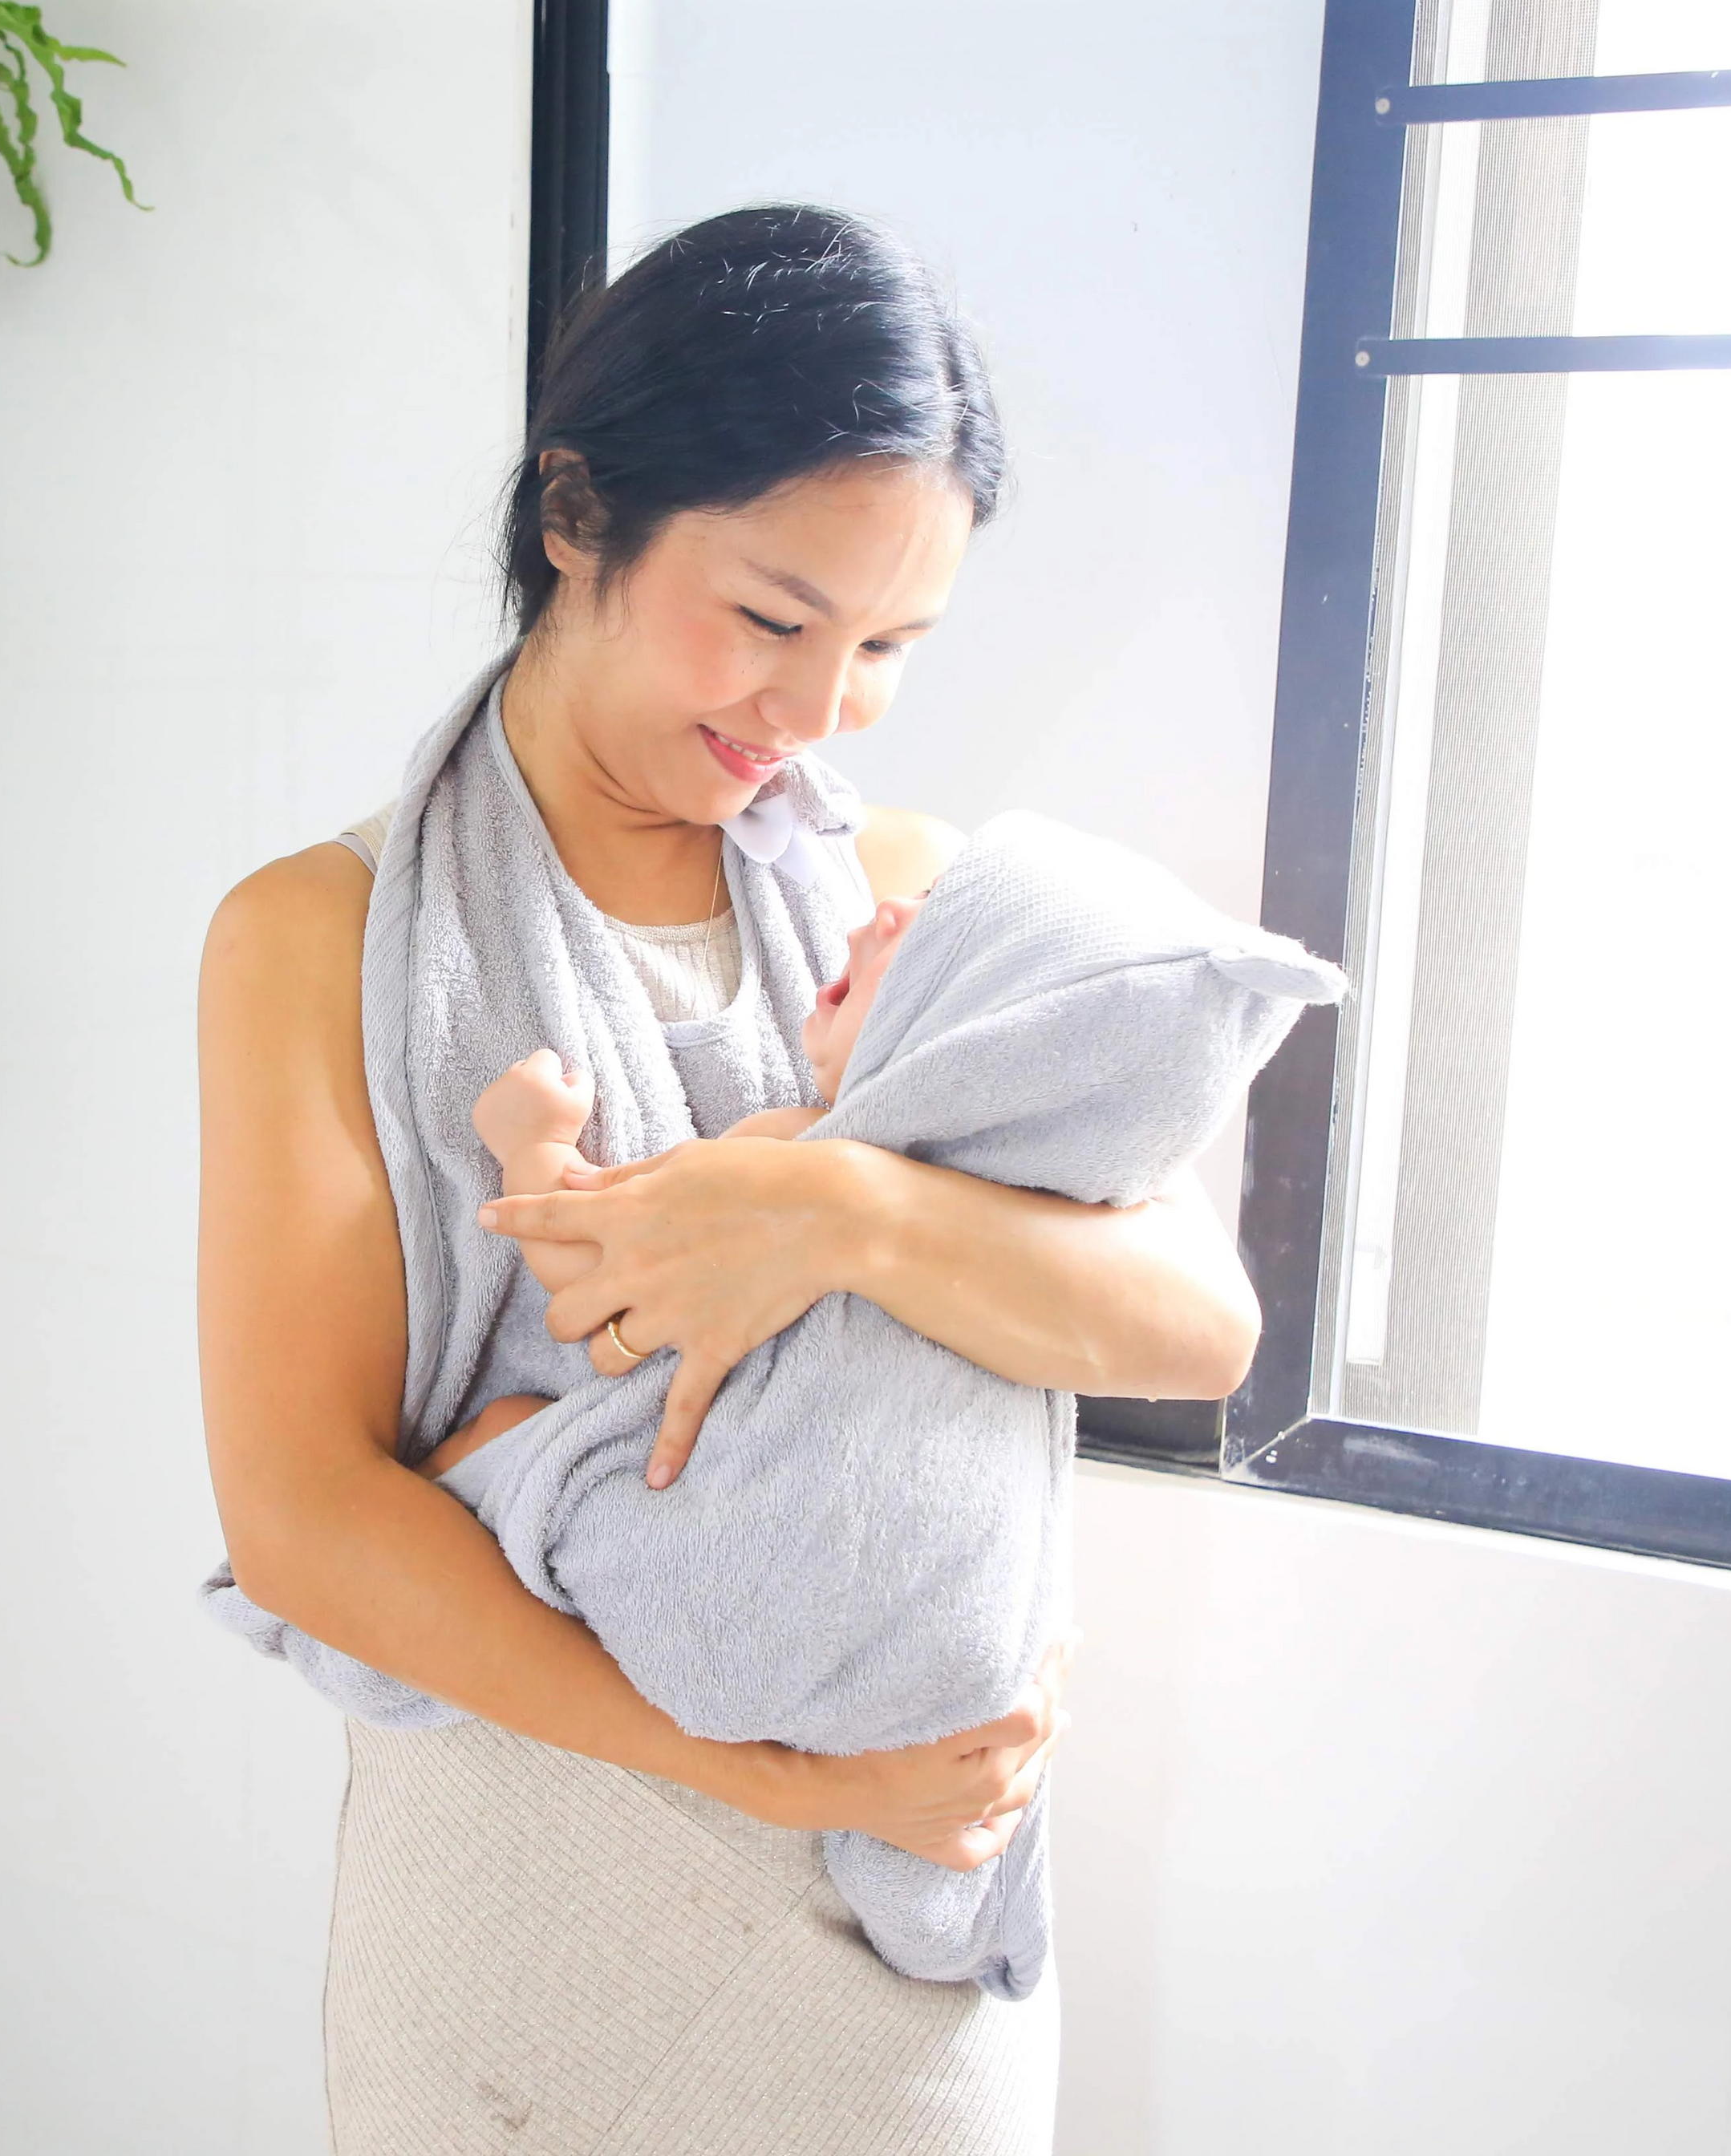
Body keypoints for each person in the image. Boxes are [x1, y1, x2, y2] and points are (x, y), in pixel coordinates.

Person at [199, 205, 1260, 2153]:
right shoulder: (312, 939)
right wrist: (763, 1775)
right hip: (520, 1904)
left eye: (888, 647)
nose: (818, 709)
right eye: (774, 620)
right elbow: (300, 1519)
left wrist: (832, 1213)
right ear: (575, 513)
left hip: (890, 1925)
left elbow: (1197, 1328)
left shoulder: (902, 904)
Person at [428, 891, 923, 1483]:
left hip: (712, 1459)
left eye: (932, 914)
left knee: (501, 1430)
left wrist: (535, 1145)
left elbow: (607, 1267)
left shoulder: (797, 1149)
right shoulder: (965, 1191)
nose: (889, 906)